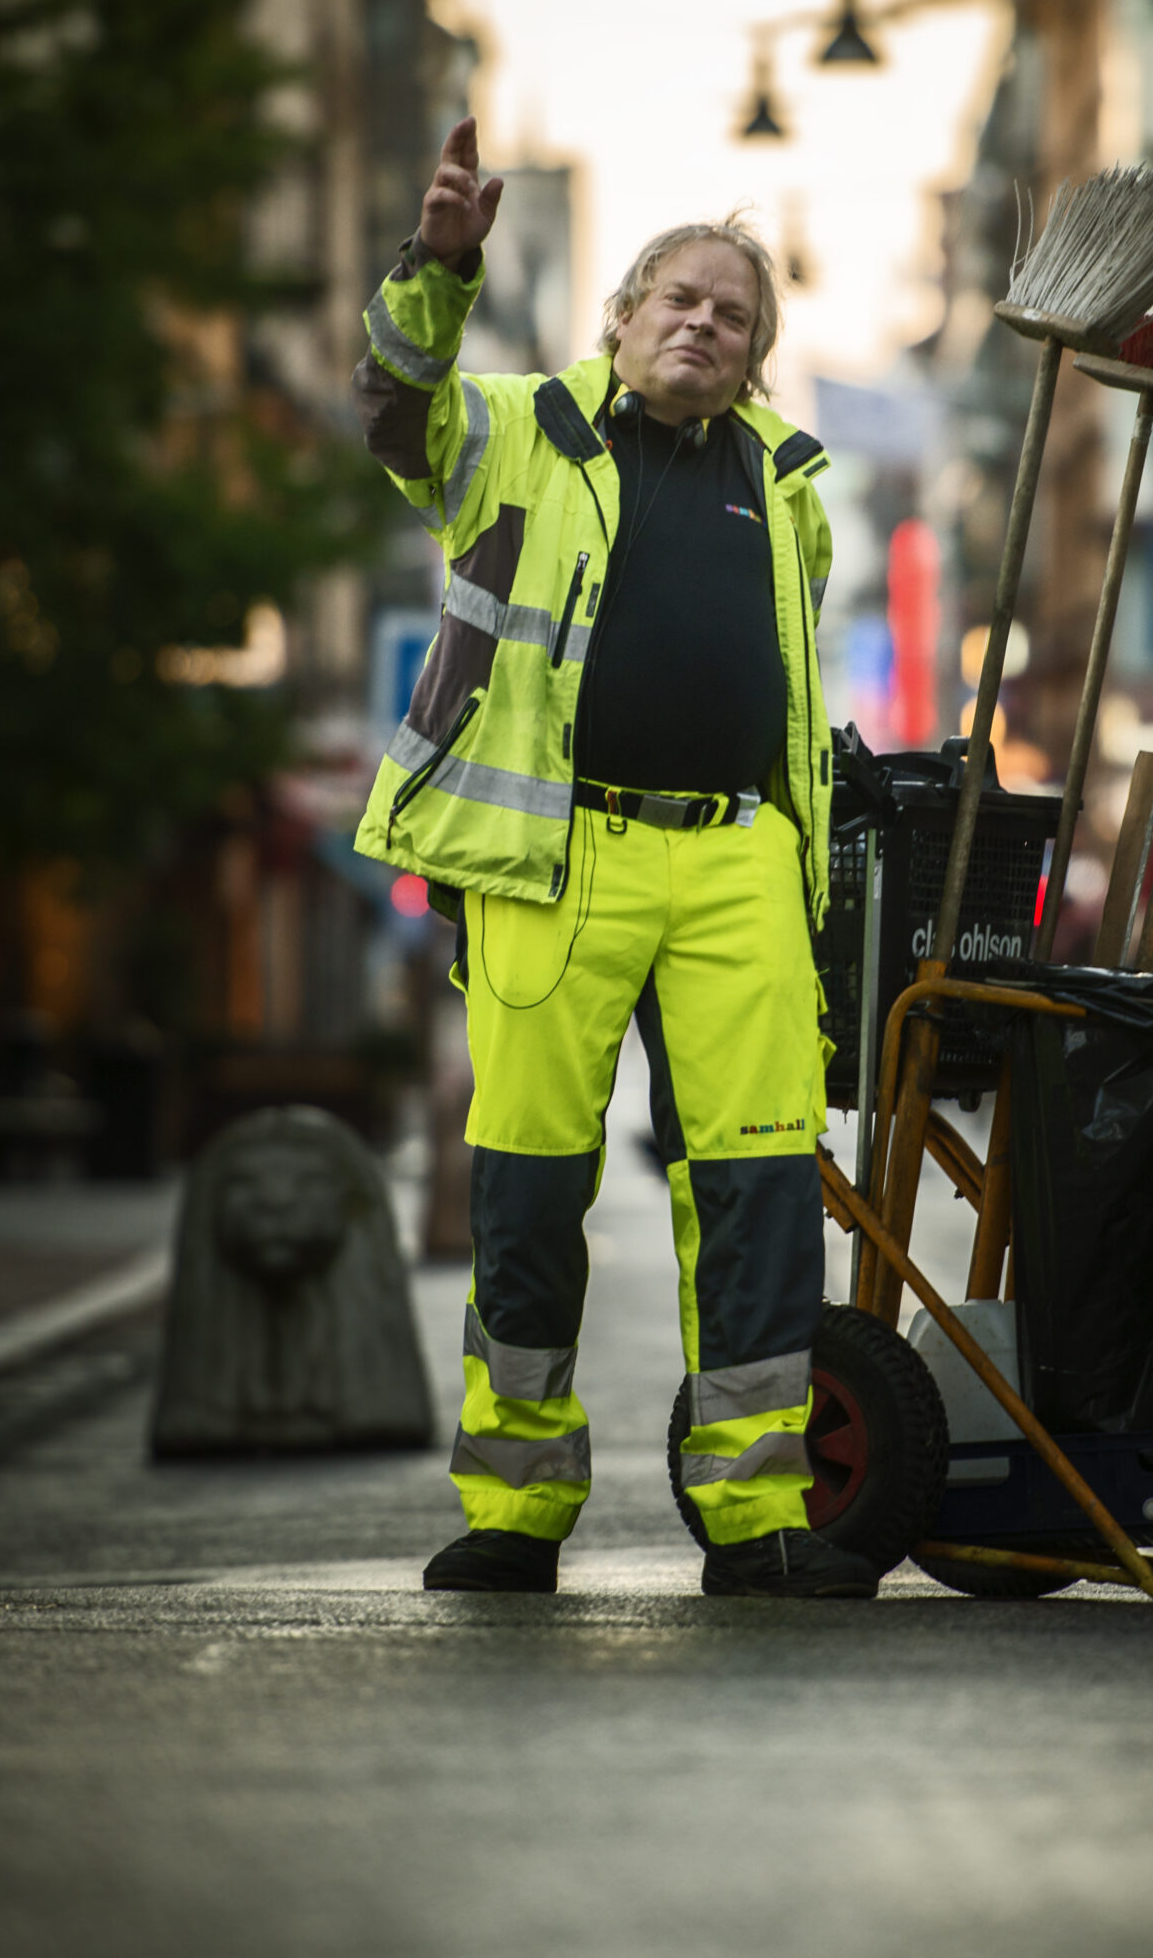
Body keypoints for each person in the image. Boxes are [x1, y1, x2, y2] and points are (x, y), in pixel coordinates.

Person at [352, 117, 875, 1599]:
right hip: (552, 855)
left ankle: (758, 1511)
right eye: (680, 300)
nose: (703, 324)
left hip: (737, 866)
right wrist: (439, 267)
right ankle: (515, 1512)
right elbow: (393, 414)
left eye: (735, 315)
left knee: (765, 1187)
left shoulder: (787, 483)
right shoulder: (514, 428)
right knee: (526, 1185)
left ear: (756, 357)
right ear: (622, 315)